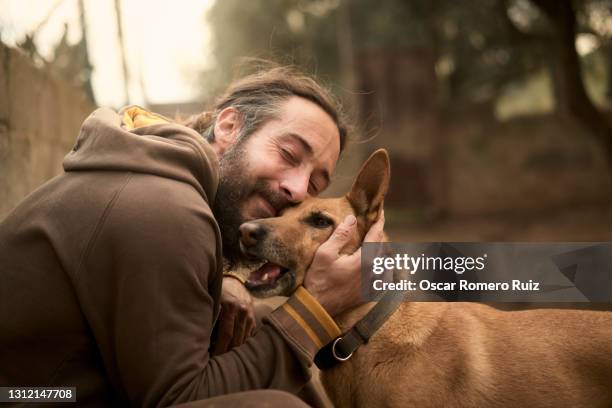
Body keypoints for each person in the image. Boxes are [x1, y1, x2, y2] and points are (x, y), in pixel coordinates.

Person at [0, 66, 384, 407]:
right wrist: (314, 309)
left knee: (255, 322)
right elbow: (177, 398)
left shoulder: (161, 182)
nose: (299, 191)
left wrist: (227, 279)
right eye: (288, 153)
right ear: (229, 126)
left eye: (317, 183)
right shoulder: (165, 210)